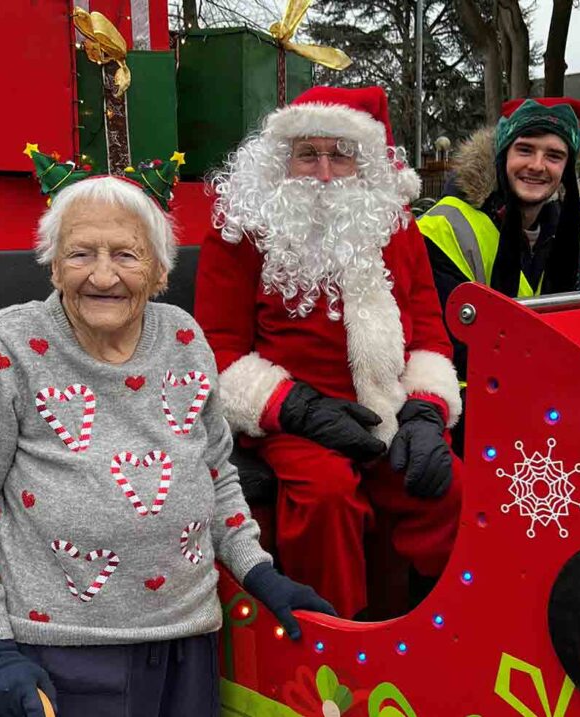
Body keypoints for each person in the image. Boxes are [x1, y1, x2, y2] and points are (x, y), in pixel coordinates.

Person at [0, 176, 334, 717]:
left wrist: (259, 570)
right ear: (52, 265)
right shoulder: (6, 347)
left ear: (159, 270)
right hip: (64, 653)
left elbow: (216, 474)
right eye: (80, 253)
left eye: (125, 254)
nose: (102, 275)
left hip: (187, 641)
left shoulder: (184, 338)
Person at [196, 86, 464, 620]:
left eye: (339, 155)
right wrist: (297, 409)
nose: (321, 173)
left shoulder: (398, 230)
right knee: (326, 497)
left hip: (385, 411)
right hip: (292, 421)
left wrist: (427, 414)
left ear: (363, 164)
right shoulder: (240, 232)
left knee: (446, 486)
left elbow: (431, 332)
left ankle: (449, 626)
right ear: (281, 160)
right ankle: (333, 651)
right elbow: (215, 352)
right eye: (307, 154)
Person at [417, 97, 580, 452]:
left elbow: (577, 319)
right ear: (502, 156)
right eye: (525, 150)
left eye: (554, 155)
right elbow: (451, 350)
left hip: (542, 405)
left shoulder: (571, 224)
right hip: (465, 415)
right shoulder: (445, 226)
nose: (538, 166)